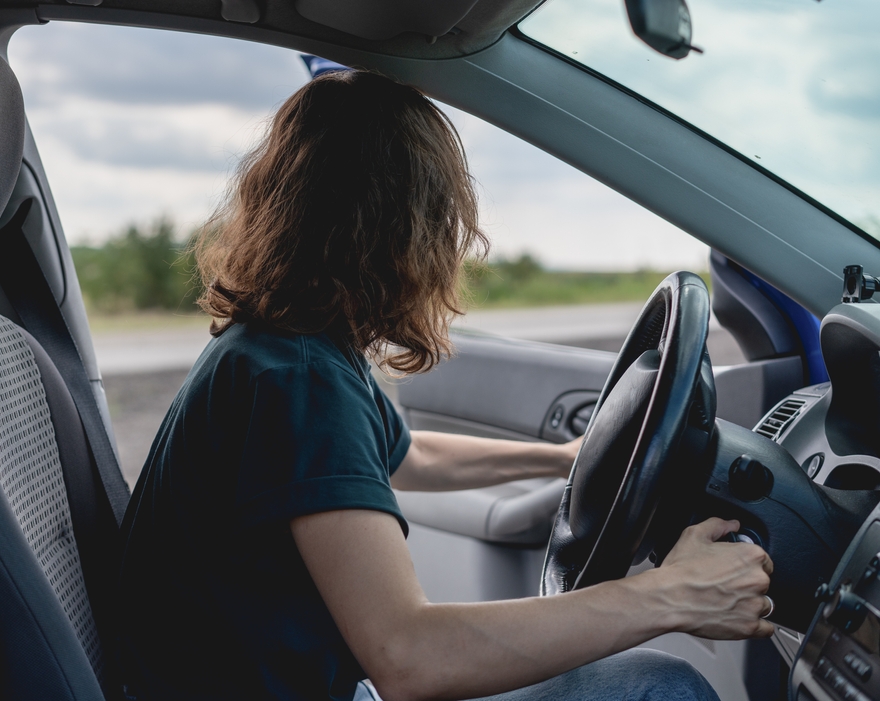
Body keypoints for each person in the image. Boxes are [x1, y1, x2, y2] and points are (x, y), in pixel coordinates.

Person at [115, 70, 773, 701]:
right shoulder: (299, 380)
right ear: (412, 229)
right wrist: (673, 595)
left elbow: (405, 457)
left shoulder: (284, 348)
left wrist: (565, 459)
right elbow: (407, 655)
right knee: (664, 687)